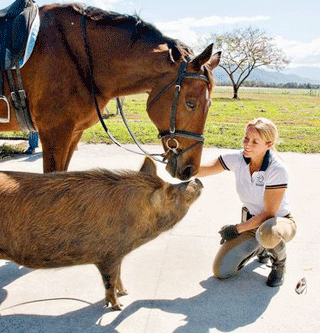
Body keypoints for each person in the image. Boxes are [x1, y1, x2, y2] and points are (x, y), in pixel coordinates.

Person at [197, 118, 297, 287]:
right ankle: (261, 247)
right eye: (246, 138)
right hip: (252, 225)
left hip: (279, 224)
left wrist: (236, 229)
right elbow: (201, 170)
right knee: (221, 271)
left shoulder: (277, 169)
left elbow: (268, 213)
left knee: (268, 233)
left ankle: (279, 264)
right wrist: (182, 165)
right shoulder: (238, 159)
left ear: (269, 143)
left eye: (255, 141)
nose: (247, 144)